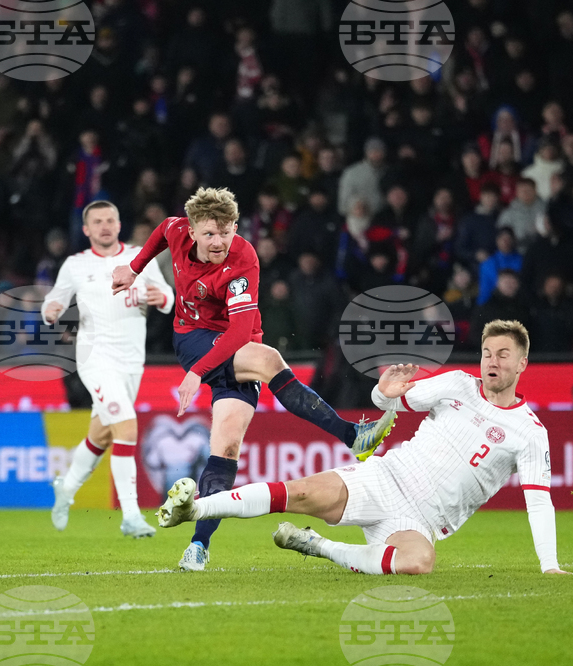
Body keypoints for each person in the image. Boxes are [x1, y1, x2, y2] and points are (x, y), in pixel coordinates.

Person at [111, 187, 396, 571]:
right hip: (193, 340)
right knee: (269, 357)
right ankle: (352, 436)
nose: (219, 241)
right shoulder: (177, 231)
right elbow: (162, 229)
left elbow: (239, 330)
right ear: (192, 230)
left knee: (226, 450)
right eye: (210, 233)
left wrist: (200, 374)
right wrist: (134, 268)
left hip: (232, 350)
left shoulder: (243, 257)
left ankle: (198, 546)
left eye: (226, 231)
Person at [156, 320, 570, 576]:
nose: (491, 360)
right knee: (298, 492)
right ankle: (196, 509)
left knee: (418, 563)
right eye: (486, 352)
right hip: (385, 478)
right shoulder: (458, 384)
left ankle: (317, 546)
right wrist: (383, 391)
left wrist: (549, 566)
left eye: (503, 354)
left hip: (419, 520)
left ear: (521, 364)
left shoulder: (529, 432)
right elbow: (387, 401)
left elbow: (539, 503)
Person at [44, 200, 175, 539]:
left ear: (119, 224)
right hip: (94, 358)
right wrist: (53, 309)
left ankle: (66, 489)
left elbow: (167, 297)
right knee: (127, 427)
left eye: (110, 219)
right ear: (86, 229)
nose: (104, 225)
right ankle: (131, 515)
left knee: (101, 434)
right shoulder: (75, 265)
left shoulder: (139, 258)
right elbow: (52, 301)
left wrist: (159, 298)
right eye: (97, 221)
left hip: (132, 361)